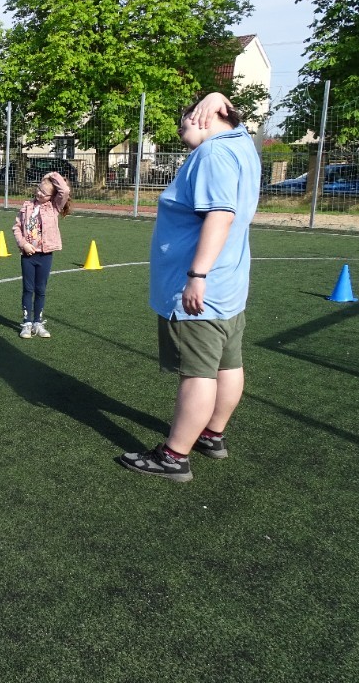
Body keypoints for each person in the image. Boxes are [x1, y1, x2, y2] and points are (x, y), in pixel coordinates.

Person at [117, 92, 260, 482]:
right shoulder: (243, 144)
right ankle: (212, 435)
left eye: (183, 126)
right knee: (228, 364)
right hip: (229, 286)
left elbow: (220, 215)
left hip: (199, 292)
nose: (180, 135)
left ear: (202, 118)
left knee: (197, 373)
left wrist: (197, 276)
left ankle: (174, 457)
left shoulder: (213, 153)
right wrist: (216, 97)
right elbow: (235, 120)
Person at [12, 171, 72, 338]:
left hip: (45, 256)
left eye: (44, 193)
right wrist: (23, 244)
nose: (39, 193)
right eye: (38, 189)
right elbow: (16, 228)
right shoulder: (27, 206)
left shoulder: (54, 207)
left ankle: (38, 323)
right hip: (28, 256)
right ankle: (27, 323)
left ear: (51, 196)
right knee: (28, 289)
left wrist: (52, 175)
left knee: (41, 290)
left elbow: (65, 191)